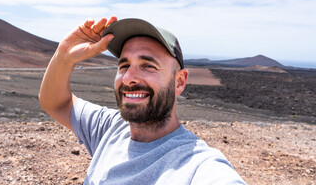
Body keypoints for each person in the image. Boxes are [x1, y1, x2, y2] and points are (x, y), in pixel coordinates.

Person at [39, 17, 246, 184]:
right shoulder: (110, 129)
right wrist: (63, 57)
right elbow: (56, 103)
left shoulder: (197, 166)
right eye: (124, 65)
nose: (129, 78)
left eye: (148, 66)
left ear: (179, 82)